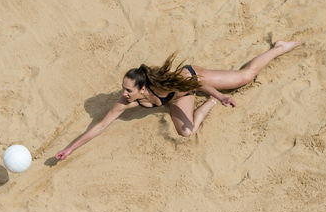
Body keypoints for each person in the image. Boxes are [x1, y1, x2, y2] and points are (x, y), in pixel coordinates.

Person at [55, 40, 301, 160]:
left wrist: (219, 94)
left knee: (246, 77)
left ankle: (279, 47)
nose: (124, 94)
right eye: (123, 89)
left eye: (129, 90)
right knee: (186, 131)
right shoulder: (127, 100)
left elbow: (197, 83)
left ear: (143, 88)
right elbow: (100, 125)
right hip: (181, 98)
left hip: (193, 79)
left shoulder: (165, 83)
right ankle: (210, 104)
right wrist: (70, 148)